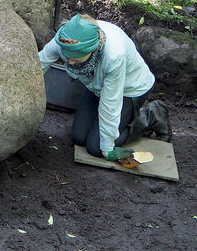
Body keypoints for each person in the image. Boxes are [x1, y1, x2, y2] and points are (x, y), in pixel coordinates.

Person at [38, 14, 171, 160]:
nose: (69, 62)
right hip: (96, 86)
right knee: (79, 137)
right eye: (66, 55)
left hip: (130, 90)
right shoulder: (64, 39)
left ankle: (151, 115)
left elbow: (110, 103)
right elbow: (39, 65)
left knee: (96, 148)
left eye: (75, 58)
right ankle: (113, 124)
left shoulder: (114, 56)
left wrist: (108, 148)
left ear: (92, 50)